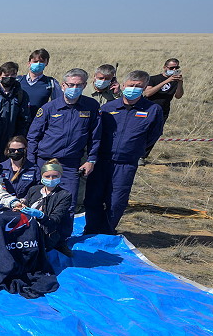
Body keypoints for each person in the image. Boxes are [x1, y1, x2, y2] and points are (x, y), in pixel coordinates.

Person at [84, 70, 165, 234]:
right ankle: (91, 229)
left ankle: (107, 231)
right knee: (93, 198)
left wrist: (135, 149)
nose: (133, 89)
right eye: (131, 85)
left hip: (126, 163)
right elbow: (97, 133)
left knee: (116, 200)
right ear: (123, 86)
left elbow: (153, 135)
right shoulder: (108, 108)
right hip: (101, 161)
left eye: (138, 86)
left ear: (144, 88)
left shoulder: (152, 110)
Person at [26, 68, 101, 213]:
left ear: (84, 86)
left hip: (70, 163)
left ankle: (63, 235)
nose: (74, 88)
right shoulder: (49, 108)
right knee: (40, 202)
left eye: (78, 85)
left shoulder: (91, 107)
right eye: (71, 85)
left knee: (69, 203)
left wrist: (91, 160)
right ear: (63, 85)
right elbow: (33, 136)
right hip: (45, 161)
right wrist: (31, 162)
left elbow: (95, 136)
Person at [20, 161, 73, 251]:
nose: (51, 179)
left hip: (50, 235)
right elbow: (25, 206)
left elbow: (54, 221)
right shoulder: (34, 190)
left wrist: (41, 215)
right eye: (47, 176)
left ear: (60, 176)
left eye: (55, 176)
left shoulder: (64, 195)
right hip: (30, 231)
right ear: (42, 176)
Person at [0, 62, 31, 156]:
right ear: (0, 75)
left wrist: (18, 140)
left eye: (13, 75)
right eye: (6, 75)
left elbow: (24, 120)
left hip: (10, 143)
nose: (9, 78)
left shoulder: (21, 95)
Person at [19, 49, 58, 122]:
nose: (38, 64)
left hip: (39, 123)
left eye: (42, 62)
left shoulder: (51, 83)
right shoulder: (18, 81)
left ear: (46, 63)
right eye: (35, 61)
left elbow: (58, 104)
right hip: (17, 124)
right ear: (29, 63)